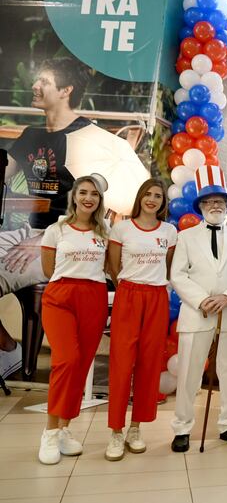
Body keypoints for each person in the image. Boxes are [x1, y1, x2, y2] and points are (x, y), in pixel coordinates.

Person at [0, 57, 147, 380]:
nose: (34, 86)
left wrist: (45, 238)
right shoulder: (30, 134)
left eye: (44, 82)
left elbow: (96, 209)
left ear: (66, 90)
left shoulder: (96, 141)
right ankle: (7, 346)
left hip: (60, 243)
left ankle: (8, 351)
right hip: (21, 231)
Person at [170, 165, 227, 453]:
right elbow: (178, 274)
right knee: (188, 373)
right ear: (201, 206)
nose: (215, 205)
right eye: (209, 202)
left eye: (220, 202)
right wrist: (200, 299)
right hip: (197, 313)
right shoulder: (186, 237)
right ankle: (182, 428)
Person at [37, 175, 109, 465]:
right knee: (66, 360)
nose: (88, 198)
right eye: (83, 192)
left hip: (93, 297)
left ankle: (65, 428)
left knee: (80, 365)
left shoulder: (105, 232)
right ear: (74, 196)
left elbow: (112, 268)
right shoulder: (56, 230)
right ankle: (50, 432)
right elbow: (47, 268)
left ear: (99, 200)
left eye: (94, 193)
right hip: (60, 296)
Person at [104, 179, 177, 461]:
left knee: (149, 363)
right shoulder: (121, 228)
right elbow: (113, 267)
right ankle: (115, 430)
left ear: (162, 202)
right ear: (140, 197)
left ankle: (136, 428)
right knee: (122, 363)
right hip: (129, 295)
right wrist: (129, 287)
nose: (152, 199)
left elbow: (169, 268)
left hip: (157, 297)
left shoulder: (169, 232)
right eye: (148, 194)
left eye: (158, 196)